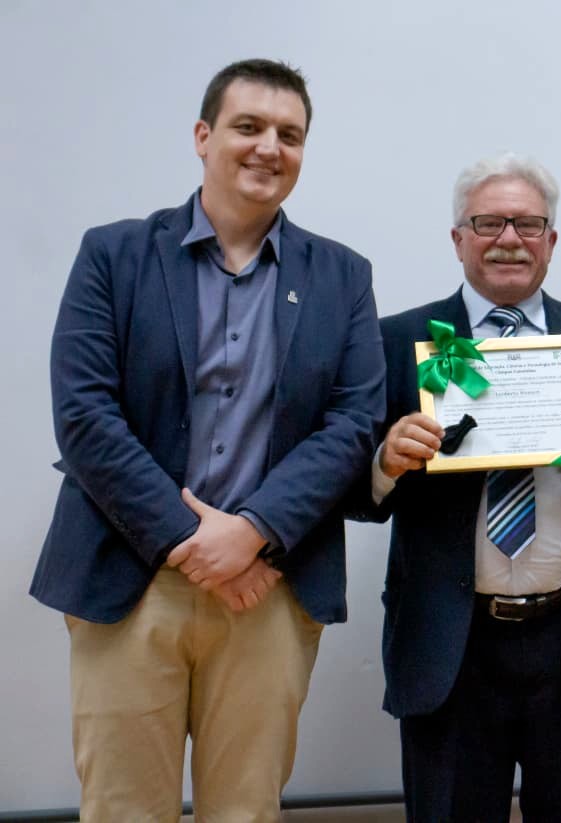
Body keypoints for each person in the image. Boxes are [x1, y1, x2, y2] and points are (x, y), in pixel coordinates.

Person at [31, 59, 386, 821]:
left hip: (269, 587)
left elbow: (353, 424)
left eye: (289, 135)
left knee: (245, 811)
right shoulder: (114, 255)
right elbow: (86, 416)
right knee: (123, 809)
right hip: (128, 580)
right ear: (203, 136)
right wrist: (196, 542)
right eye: (248, 126)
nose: (269, 147)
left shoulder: (343, 277)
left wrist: (253, 533)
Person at [352, 153, 561, 822]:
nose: (508, 238)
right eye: (488, 222)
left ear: (551, 239)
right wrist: (386, 461)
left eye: (527, 224)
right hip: (452, 643)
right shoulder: (398, 342)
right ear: (458, 238)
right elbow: (357, 494)